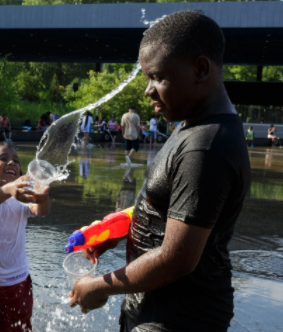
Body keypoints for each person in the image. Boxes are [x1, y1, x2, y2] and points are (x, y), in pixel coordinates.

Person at [68, 11, 251, 332]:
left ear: (200, 69)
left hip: (176, 317)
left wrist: (100, 285)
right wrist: (120, 228)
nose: (147, 90)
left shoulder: (205, 147)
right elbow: (170, 206)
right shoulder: (192, 127)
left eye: (158, 77)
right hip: (156, 308)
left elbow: (177, 259)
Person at [0, 142, 51, 332]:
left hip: (17, 282)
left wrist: (43, 198)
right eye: (3, 159)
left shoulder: (21, 195)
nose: (12, 163)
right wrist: (10, 189)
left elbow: (40, 211)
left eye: (15, 161)